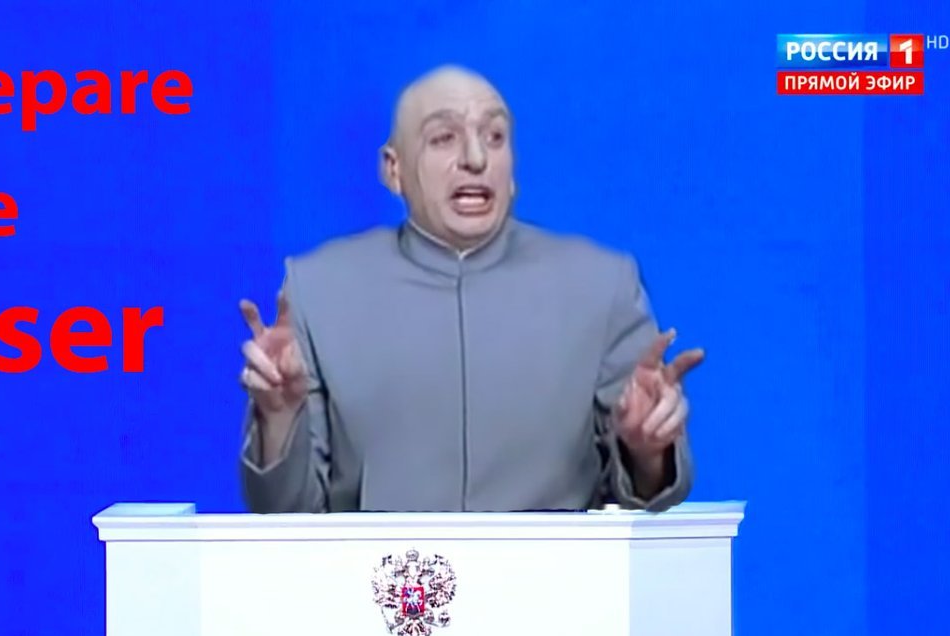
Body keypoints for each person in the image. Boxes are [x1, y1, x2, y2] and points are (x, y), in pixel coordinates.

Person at [237, 65, 703, 514]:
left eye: (494, 137)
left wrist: (647, 454)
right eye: (444, 138)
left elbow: (645, 495)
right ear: (393, 170)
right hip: (384, 572)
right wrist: (278, 420)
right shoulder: (320, 289)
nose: (476, 159)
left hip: (550, 570)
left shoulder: (601, 285)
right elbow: (286, 513)